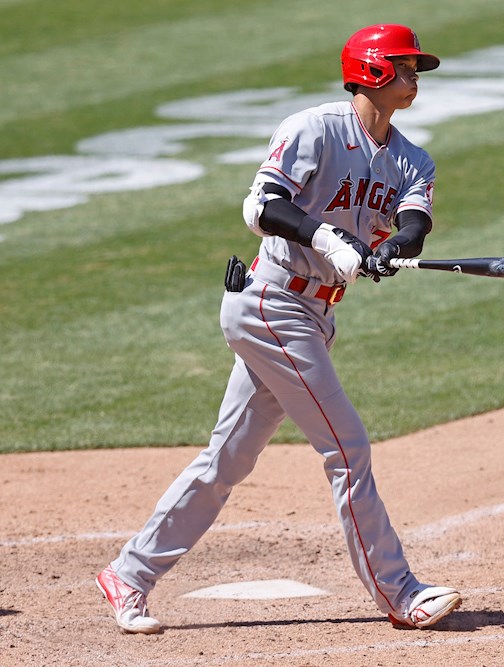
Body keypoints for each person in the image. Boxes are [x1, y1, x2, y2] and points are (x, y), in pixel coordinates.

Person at [96, 23, 461, 634]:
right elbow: (261, 206)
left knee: (227, 459)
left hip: (315, 315)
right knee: (348, 450)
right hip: (271, 302)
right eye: (405, 65)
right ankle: (399, 592)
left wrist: (391, 249)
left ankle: (128, 575)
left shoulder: (411, 158)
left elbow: (414, 221)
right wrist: (329, 238)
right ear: (372, 70)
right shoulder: (312, 129)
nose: (414, 75)